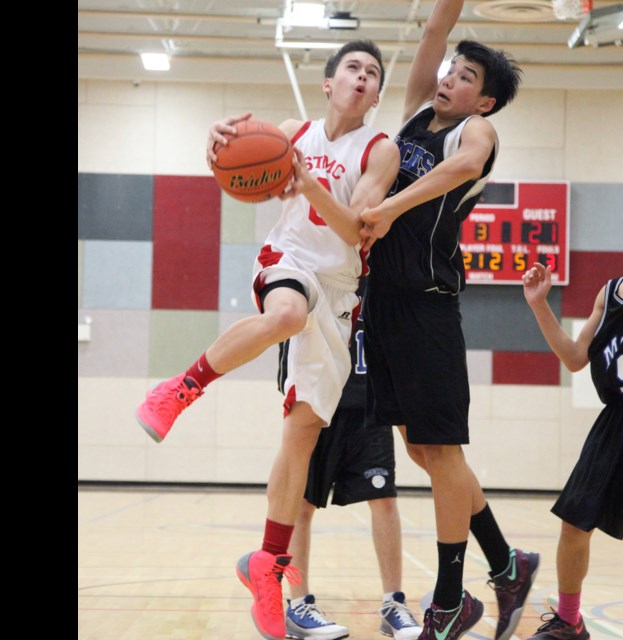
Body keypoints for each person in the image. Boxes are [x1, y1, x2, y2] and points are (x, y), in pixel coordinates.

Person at [135, 39, 401, 640]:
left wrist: (307, 186)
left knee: (302, 432)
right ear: (329, 84)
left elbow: (357, 228)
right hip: (288, 262)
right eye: (352, 69)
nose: (362, 77)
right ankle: (180, 387)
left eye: (373, 74)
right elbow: (232, 145)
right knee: (284, 313)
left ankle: (267, 562)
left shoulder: (380, 151)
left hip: (339, 291)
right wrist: (217, 138)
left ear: (377, 96)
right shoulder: (290, 132)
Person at [358, 2, 539, 639]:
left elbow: (461, 169)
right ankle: (507, 562)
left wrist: (387, 207)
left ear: (484, 102)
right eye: (452, 70)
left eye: (467, 78)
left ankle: (449, 597)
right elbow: (433, 29)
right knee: (421, 448)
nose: (450, 79)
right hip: (381, 302)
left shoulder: (474, 135)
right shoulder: (413, 113)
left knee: (444, 449)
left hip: (427, 304)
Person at [520, 184, 623, 640]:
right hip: (616, 415)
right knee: (575, 522)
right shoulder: (610, 291)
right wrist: (540, 306)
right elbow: (576, 358)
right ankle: (569, 620)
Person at [276, 279, 422, 640]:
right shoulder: (305, 272)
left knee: (384, 499)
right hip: (316, 404)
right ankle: (298, 604)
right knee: (301, 505)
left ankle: (393, 604)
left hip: (369, 402)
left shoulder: (375, 274)